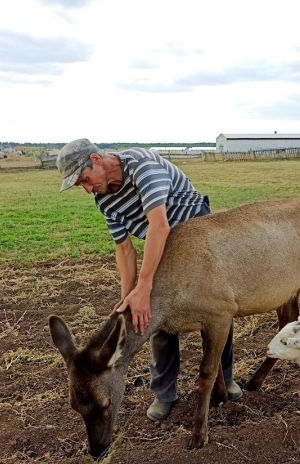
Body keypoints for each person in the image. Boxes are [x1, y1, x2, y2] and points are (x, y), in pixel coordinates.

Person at [57, 139, 242, 421]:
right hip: (162, 241)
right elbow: (124, 249)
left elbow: (159, 224)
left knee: (214, 308)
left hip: (196, 231)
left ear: (96, 159)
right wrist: (129, 298)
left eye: (84, 179)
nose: (87, 189)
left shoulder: (142, 167)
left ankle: (224, 378)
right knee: (150, 316)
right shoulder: (104, 200)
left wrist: (144, 286)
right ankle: (165, 393)